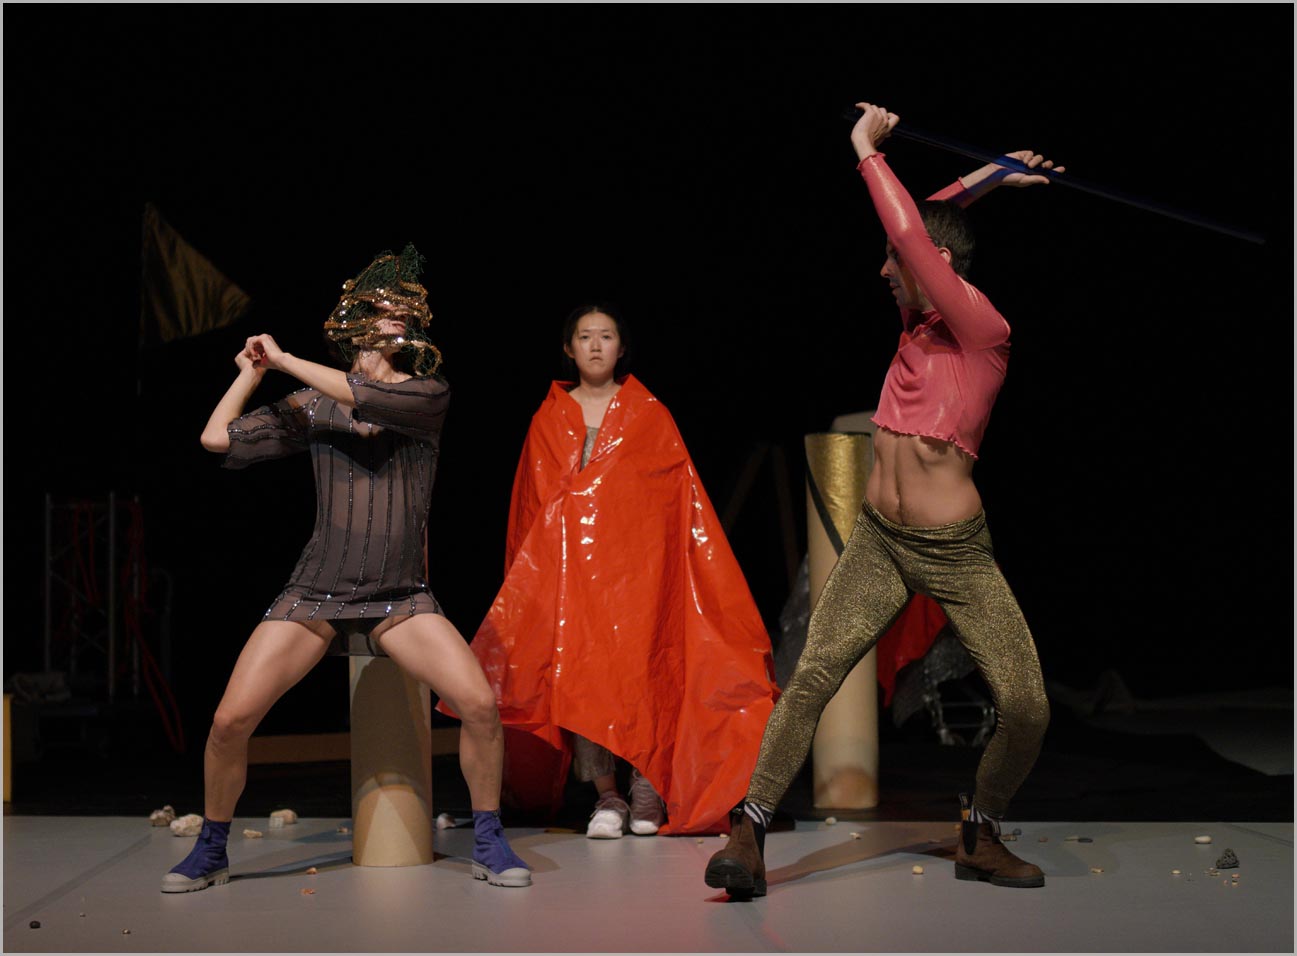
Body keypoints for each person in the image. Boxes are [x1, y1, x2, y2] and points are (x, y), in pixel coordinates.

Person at [705, 103, 1063, 897]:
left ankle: (980, 831)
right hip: (879, 541)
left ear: (937, 264)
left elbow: (911, 230)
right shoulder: (915, 320)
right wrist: (994, 173)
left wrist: (865, 149)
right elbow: (924, 219)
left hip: (954, 552)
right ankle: (747, 832)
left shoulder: (983, 329)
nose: (882, 271)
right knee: (812, 675)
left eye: (895, 261)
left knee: (1026, 705)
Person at [161, 245, 531, 892]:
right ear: (357, 323)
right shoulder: (315, 405)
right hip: (316, 592)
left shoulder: (427, 394)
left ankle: (488, 839)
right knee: (227, 722)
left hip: (399, 597)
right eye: (385, 308)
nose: (399, 317)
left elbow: (360, 394)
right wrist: (251, 372)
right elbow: (216, 438)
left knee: (477, 704)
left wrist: (283, 360)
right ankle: (212, 848)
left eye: (405, 311)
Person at [441, 304, 780, 838]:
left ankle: (647, 786)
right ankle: (607, 795)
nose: (595, 345)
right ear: (569, 348)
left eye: (606, 336)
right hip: (570, 577)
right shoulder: (549, 418)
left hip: (638, 574)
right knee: (582, 680)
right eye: (585, 336)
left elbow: (674, 501)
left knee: (644, 673)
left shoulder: (648, 414)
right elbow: (533, 508)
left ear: (622, 349)